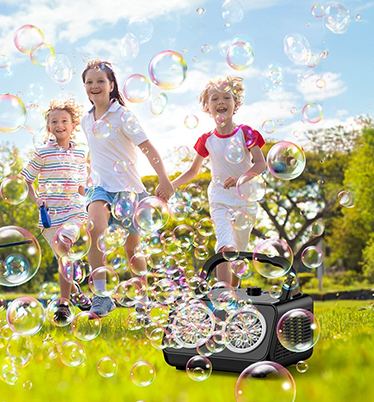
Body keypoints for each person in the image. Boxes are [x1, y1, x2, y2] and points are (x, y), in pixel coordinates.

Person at [81, 60, 174, 316]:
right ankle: (101, 296)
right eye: (89, 82)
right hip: (100, 187)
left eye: (100, 81)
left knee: (132, 248)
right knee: (94, 229)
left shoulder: (123, 115)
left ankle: (142, 297)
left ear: (111, 85)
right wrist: (85, 177)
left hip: (128, 188)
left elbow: (148, 148)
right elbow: (96, 153)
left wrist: (163, 179)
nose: (95, 85)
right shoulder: (85, 120)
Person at [169, 76, 266, 287]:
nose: (220, 102)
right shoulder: (206, 140)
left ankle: (235, 289)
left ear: (236, 104)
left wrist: (241, 178)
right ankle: (224, 291)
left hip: (245, 200)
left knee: (239, 250)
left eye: (226, 97)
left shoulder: (246, 133)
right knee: (226, 245)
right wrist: (171, 185)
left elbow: (260, 164)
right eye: (214, 98)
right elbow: (193, 170)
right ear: (207, 107)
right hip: (220, 199)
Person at [20, 99, 88, 323]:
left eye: (64, 121)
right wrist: (36, 198)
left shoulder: (80, 152)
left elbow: (81, 184)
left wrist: (91, 198)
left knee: (64, 250)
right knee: (64, 259)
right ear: (48, 127)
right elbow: (25, 181)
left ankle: (63, 305)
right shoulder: (42, 153)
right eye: (54, 121)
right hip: (50, 217)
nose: (60, 125)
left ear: (73, 124)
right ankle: (74, 291)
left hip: (74, 213)